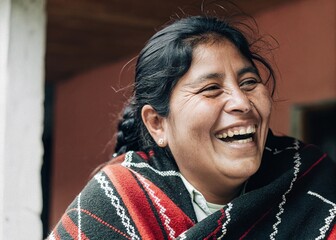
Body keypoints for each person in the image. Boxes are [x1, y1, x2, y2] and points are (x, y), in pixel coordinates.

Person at [48, 13, 336, 240]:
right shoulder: (116, 204)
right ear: (157, 123)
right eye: (211, 88)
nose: (242, 103)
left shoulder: (314, 184)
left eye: (249, 83)